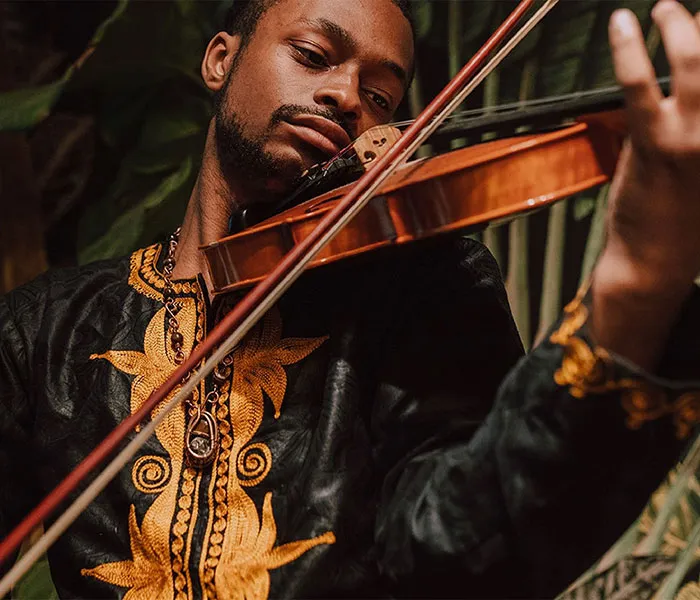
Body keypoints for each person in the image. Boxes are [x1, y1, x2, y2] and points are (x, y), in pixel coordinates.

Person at [2, 0, 700, 598]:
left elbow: (471, 548)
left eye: (382, 100)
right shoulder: (47, 327)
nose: (347, 98)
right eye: (312, 55)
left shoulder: (423, 287)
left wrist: (635, 287)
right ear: (220, 60)